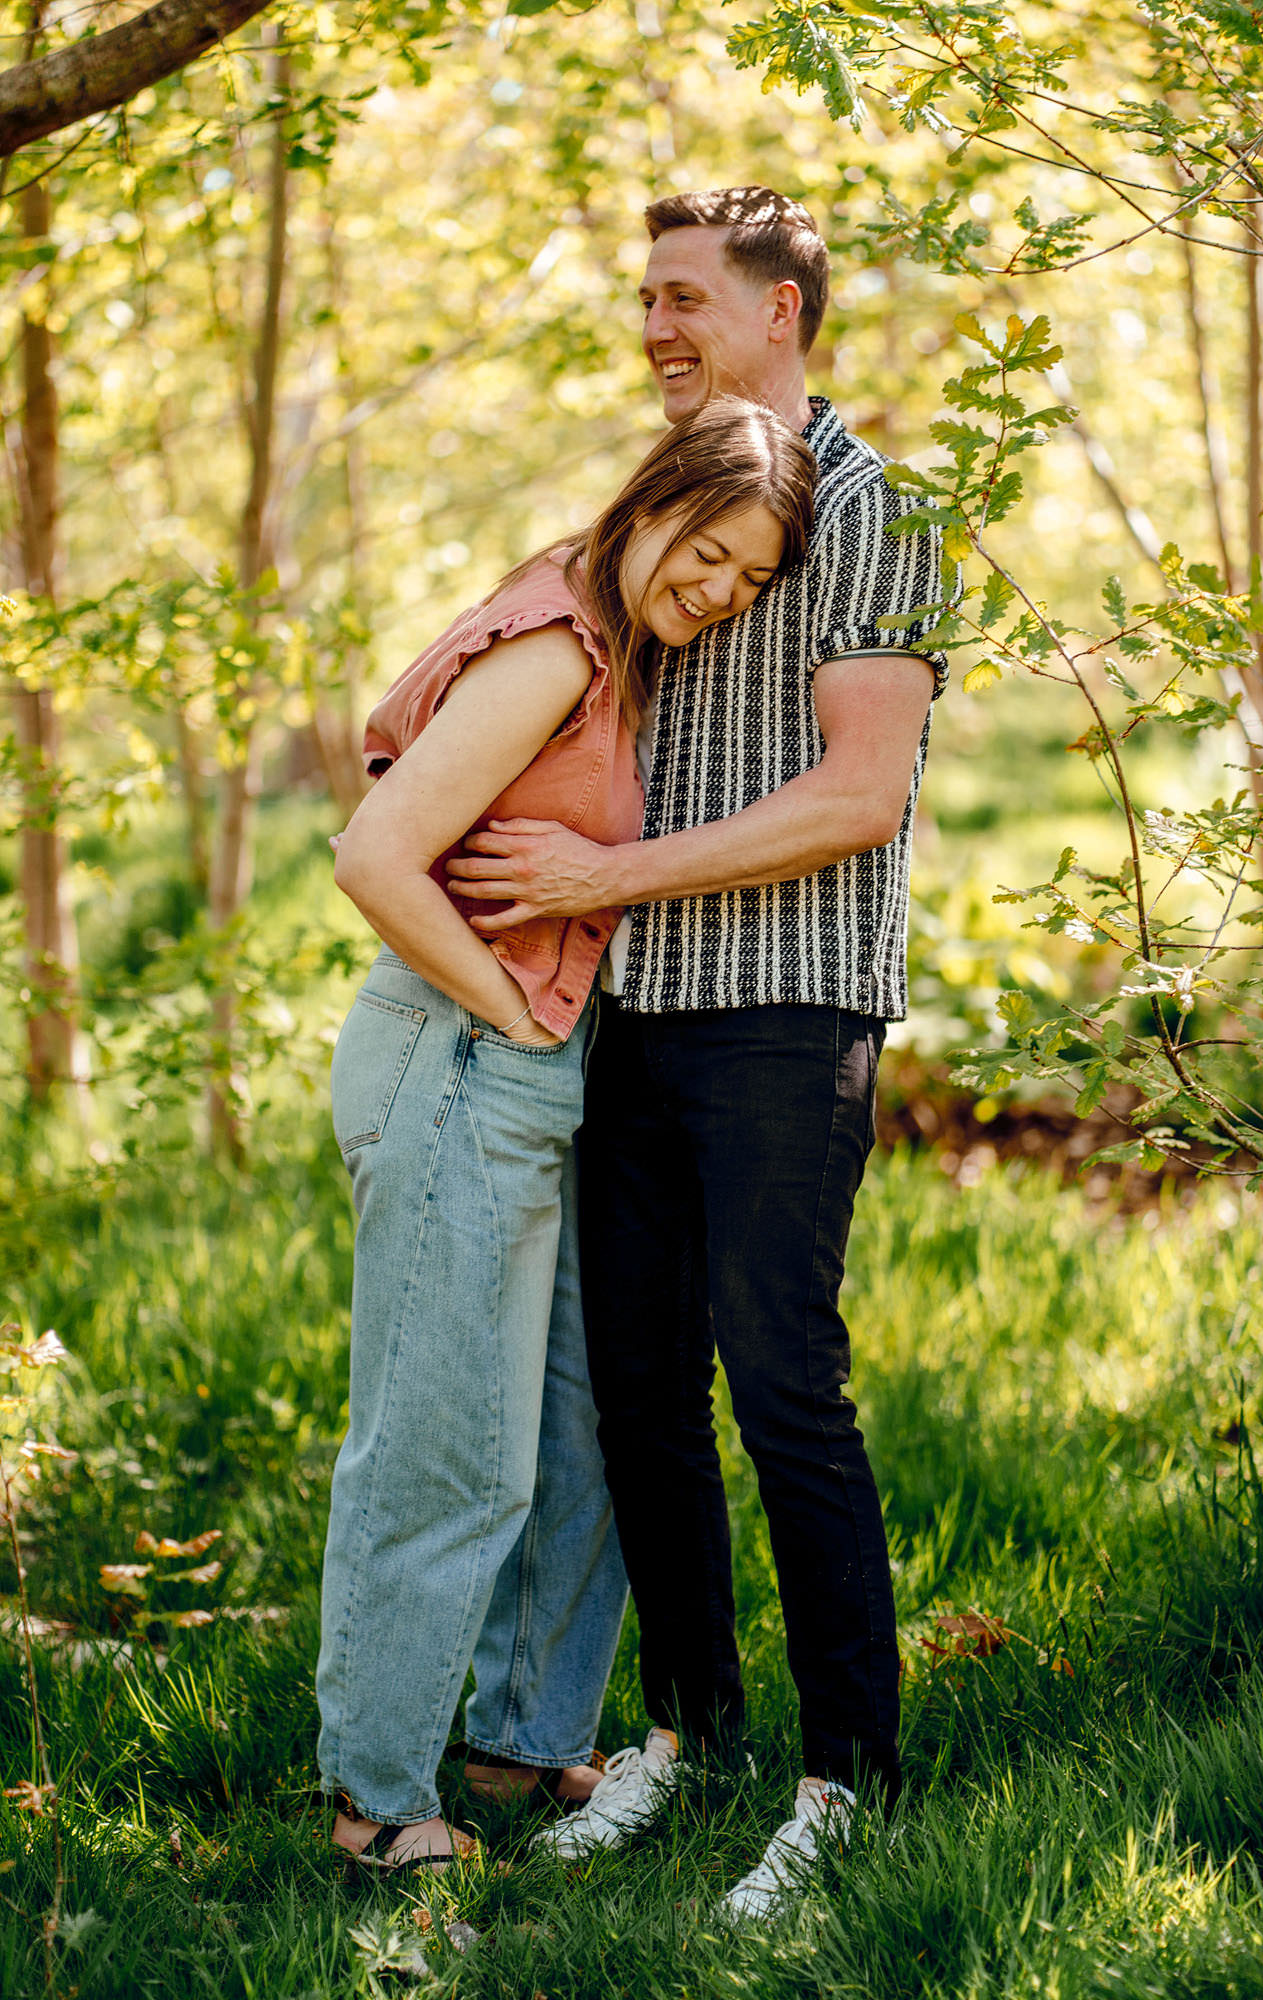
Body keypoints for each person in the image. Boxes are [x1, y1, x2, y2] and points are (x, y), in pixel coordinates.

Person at [445, 187, 949, 1917]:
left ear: (781, 309)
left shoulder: (876, 508)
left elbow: (858, 794)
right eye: (643, 300)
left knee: (781, 1381)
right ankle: (686, 1734)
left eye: (679, 299)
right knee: (643, 1396)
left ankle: (845, 1776)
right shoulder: (669, 502)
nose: (651, 328)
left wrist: (604, 875)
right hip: (633, 1014)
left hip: (785, 1012)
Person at [317, 395, 816, 1878]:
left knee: (581, 1426)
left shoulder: (618, 639)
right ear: (656, 495)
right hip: (464, 1054)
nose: (720, 590)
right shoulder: (556, 643)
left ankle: (524, 1739)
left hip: (540, 1067)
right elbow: (376, 855)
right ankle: (374, 1799)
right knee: (447, 1446)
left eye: (750, 576)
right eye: (710, 548)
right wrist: (513, 1009)